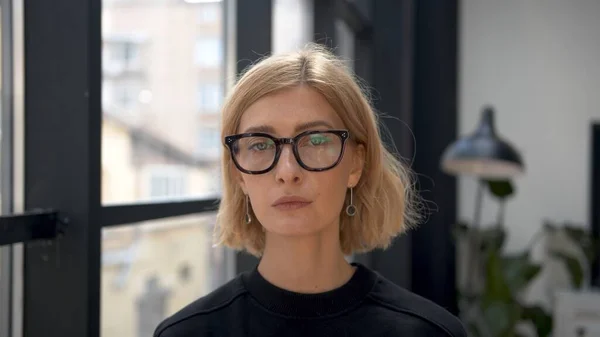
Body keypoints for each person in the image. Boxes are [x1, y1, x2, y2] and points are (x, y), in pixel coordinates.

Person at [153, 44, 466, 337]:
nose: (288, 172)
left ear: (356, 164)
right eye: (260, 144)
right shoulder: (187, 333)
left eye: (316, 141)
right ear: (238, 174)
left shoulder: (430, 332)